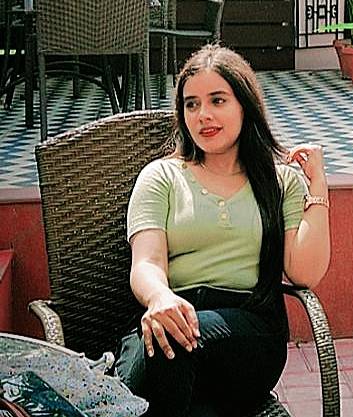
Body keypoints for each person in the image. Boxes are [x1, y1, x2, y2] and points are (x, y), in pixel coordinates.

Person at [115, 44, 330, 417]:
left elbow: (304, 271)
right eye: (192, 104)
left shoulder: (279, 182)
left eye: (218, 100)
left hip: (249, 327)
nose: (203, 116)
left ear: (244, 106)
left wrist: (318, 187)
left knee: (154, 362)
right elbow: (146, 262)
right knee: (170, 362)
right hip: (171, 311)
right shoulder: (161, 177)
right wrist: (160, 298)